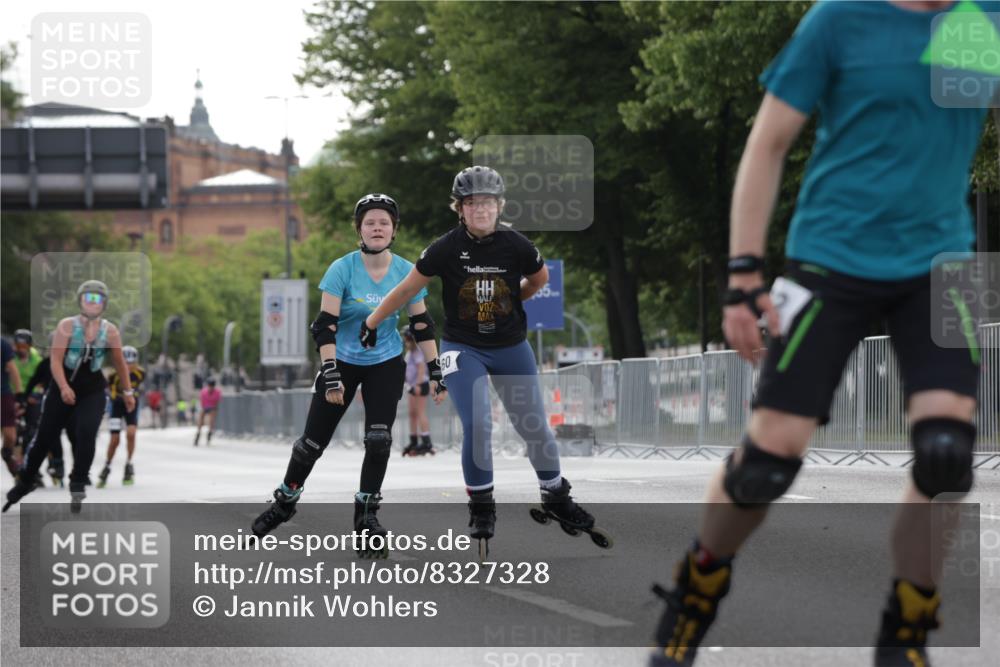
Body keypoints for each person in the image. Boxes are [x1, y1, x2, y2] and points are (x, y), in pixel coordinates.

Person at [648, 2, 994, 666]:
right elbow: (768, 142)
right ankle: (699, 583)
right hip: (832, 256)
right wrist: (744, 272)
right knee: (768, 465)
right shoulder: (841, 20)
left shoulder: (982, 22)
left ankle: (907, 632)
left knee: (947, 455)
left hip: (943, 261)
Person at [361, 167, 610, 559]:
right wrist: (372, 321)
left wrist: (511, 303)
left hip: (511, 345)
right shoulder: (444, 248)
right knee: (478, 423)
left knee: (534, 425)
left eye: (488, 203)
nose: (481, 210)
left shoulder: (516, 244)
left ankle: (555, 494)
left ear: (499, 206)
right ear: (459, 209)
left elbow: (539, 279)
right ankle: (481, 507)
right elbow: (408, 288)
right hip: (463, 348)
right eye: (473, 203)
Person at [251, 193, 443, 559]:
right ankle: (286, 499)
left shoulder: (406, 270)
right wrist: (331, 372)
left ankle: (367, 514)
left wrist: (436, 370)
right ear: (359, 229)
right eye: (369, 222)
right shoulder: (342, 268)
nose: (376, 228)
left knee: (379, 439)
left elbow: (421, 324)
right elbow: (325, 327)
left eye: (383, 223)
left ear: (393, 230)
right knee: (311, 444)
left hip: (385, 361)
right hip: (341, 359)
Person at [4, 280, 135, 513]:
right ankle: (25, 480)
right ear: (80, 301)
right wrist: (63, 387)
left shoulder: (110, 330)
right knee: (45, 437)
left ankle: (78, 481)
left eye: (98, 299)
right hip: (61, 387)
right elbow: (55, 361)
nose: (92, 303)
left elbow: (120, 363)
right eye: (88, 298)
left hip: (93, 390)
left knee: (86, 432)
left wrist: (127, 391)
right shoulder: (66, 326)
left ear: (104, 304)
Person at [97, 345, 145, 487]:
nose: (129, 366)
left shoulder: (141, 373)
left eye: (131, 363)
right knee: (115, 439)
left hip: (131, 405)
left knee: (131, 433)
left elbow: (137, 389)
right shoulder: (113, 375)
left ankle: (129, 464)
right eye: (126, 363)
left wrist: (130, 395)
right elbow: (111, 393)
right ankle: (107, 465)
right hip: (117, 405)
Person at [401, 329, 434, 456]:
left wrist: (418, 385)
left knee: (420, 412)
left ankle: (426, 441)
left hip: (420, 385)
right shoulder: (409, 353)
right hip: (411, 385)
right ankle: (413, 440)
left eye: (407, 340)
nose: (405, 342)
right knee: (412, 413)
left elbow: (421, 369)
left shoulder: (418, 352)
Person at [1, 337, 23, 478]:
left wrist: (19, 393)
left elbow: (13, 369)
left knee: (11, 436)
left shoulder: (2, 344)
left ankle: (7, 454)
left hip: (3, 393)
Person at [194, 379, 221, 446]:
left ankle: (209, 432)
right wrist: (203, 408)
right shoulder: (204, 392)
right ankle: (198, 433)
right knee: (200, 419)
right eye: (209, 386)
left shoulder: (217, 392)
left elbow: (217, 401)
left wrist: (215, 408)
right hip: (205, 407)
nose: (210, 388)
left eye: (212, 386)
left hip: (212, 407)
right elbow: (201, 401)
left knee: (212, 420)